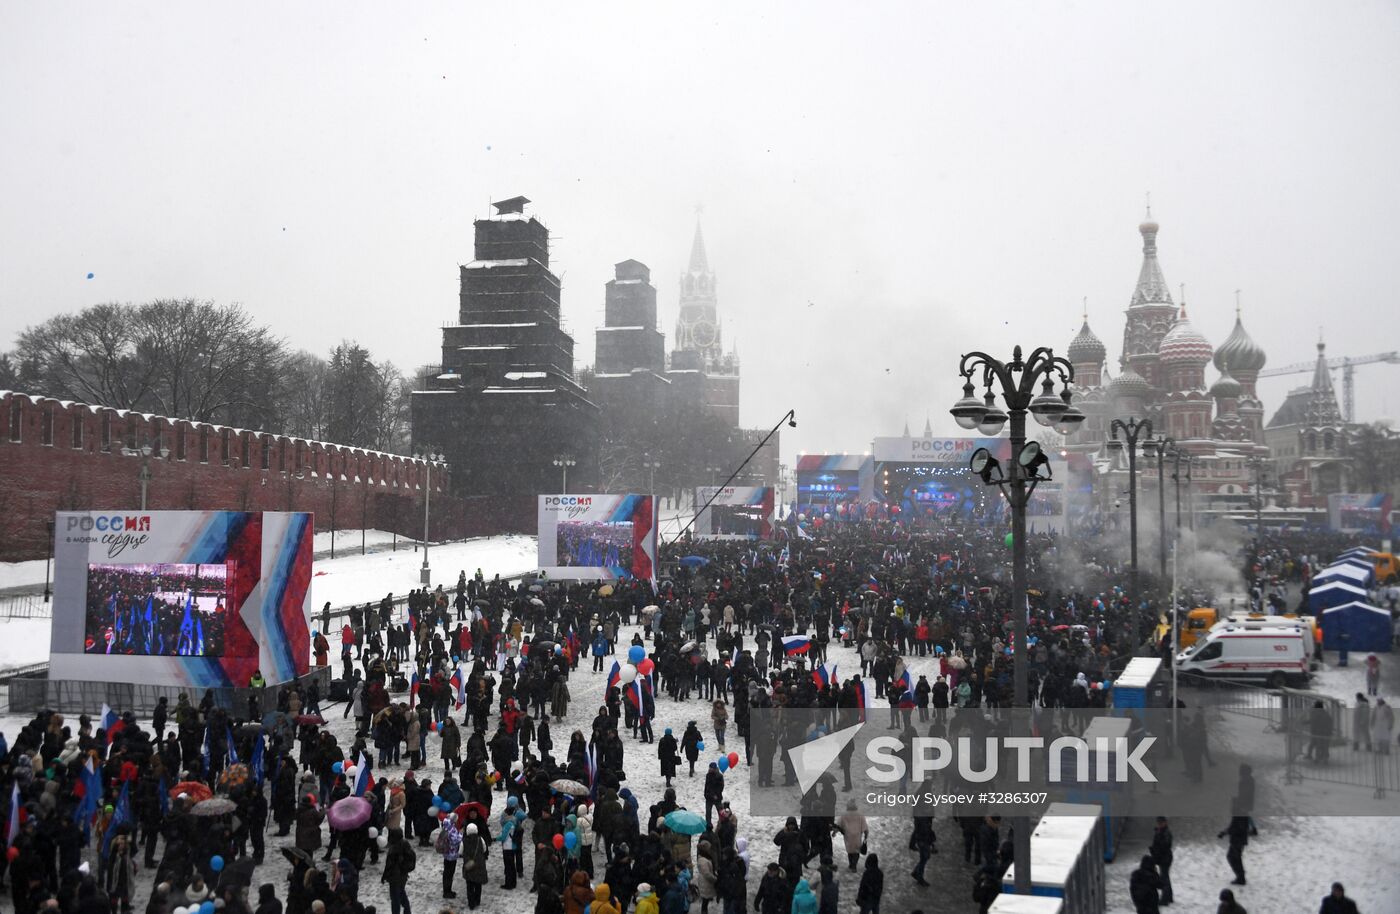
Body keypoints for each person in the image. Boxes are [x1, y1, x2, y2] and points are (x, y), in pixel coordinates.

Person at [383, 828, 416, 914]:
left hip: (395, 876)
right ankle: (407, 910)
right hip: (402, 875)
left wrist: (385, 876)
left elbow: (389, 865)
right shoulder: (405, 844)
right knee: (401, 893)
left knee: (395, 898)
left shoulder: (395, 848)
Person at [460, 822, 489, 910]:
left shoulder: (464, 841)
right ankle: (477, 900)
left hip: (469, 865)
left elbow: (460, 852)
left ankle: (471, 903)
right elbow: (484, 849)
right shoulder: (481, 839)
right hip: (479, 865)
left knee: (469, 885)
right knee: (478, 884)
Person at [1217, 812, 1250, 885]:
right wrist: (1224, 832)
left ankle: (1241, 878)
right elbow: (1235, 826)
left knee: (1233, 857)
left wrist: (1224, 832)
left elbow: (1235, 827)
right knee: (1235, 857)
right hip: (1239, 839)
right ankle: (1241, 877)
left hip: (1238, 839)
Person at [1149, 816, 1173, 905]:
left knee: (1164, 878)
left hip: (1165, 858)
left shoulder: (1165, 833)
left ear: (1165, 823)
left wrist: (1156, 849)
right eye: (1158, 823)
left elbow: (1165, 845)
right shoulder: (1160, 832)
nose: (1159, 824)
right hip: (1162, 858)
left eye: (1161, 823)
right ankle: (1169, 897)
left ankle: (1165, 899)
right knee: (1165, 877)